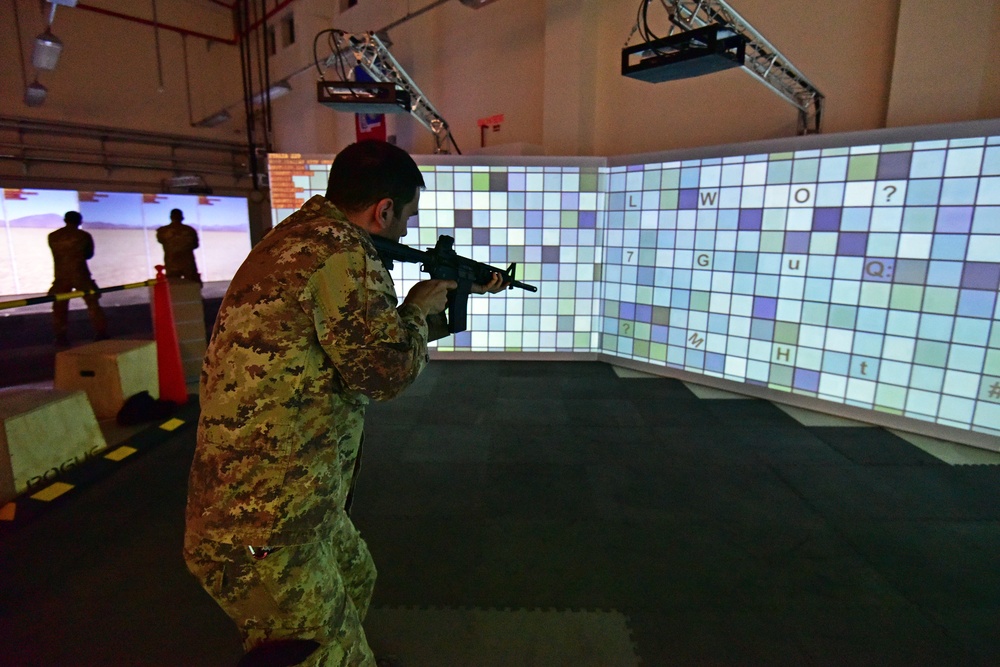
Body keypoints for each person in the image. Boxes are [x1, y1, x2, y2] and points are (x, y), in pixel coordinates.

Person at [183, 140, 503, 666]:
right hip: (264, 519)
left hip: (289, 495)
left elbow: (356, 344)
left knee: (357, 574)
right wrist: (419, 308)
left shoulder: (300, 238)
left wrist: (438, 306)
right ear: (383, 210)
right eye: (406, 218)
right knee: (331, 654)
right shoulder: (344, 257)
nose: (404, 232)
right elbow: (385, 373)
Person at [47, 211, 107, 346]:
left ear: (65, 220)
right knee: (93, 304)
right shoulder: (84, 236)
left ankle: (60, 336)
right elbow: (89, 254)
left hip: (61, 276)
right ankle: (101, 332)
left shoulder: (53, 236)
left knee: (59, 307)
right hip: (81, 274)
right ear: (80, 221)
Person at [156, 208, 202, 284]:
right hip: (188, 264)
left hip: (171, 264)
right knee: (193, 287)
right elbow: (195, 245)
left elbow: (161, 241)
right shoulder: (189, 230)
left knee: (173, 288)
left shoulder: (162, 231)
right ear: (182, 217)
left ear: (171, 217)